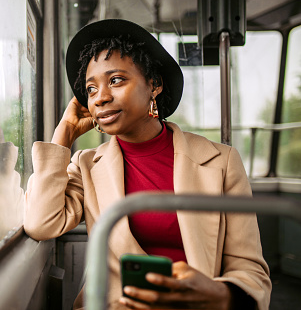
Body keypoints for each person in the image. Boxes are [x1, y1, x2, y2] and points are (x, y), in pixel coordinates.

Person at [23, 19, 271, 310]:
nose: (101, 97)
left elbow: (251, 271)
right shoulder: (87, 165)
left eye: (116, 80)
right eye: (91, 89)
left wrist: (217, 295)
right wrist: (64, 133)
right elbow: (41, 223)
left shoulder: (221, 161)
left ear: (154, 85)